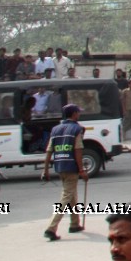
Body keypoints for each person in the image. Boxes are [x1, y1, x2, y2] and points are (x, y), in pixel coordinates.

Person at [43, 103, 89, 240]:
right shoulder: (77, 129)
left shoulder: (55, 129)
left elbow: (49, 150)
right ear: (74, 114)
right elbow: (78, 150)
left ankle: (75, 224)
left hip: (59, 166)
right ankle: (51, 228)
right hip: (71, 167)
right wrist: (81, 170)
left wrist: (45, 170)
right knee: (66, 197)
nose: (79, 114)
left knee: (71, 195)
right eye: (78, 112)